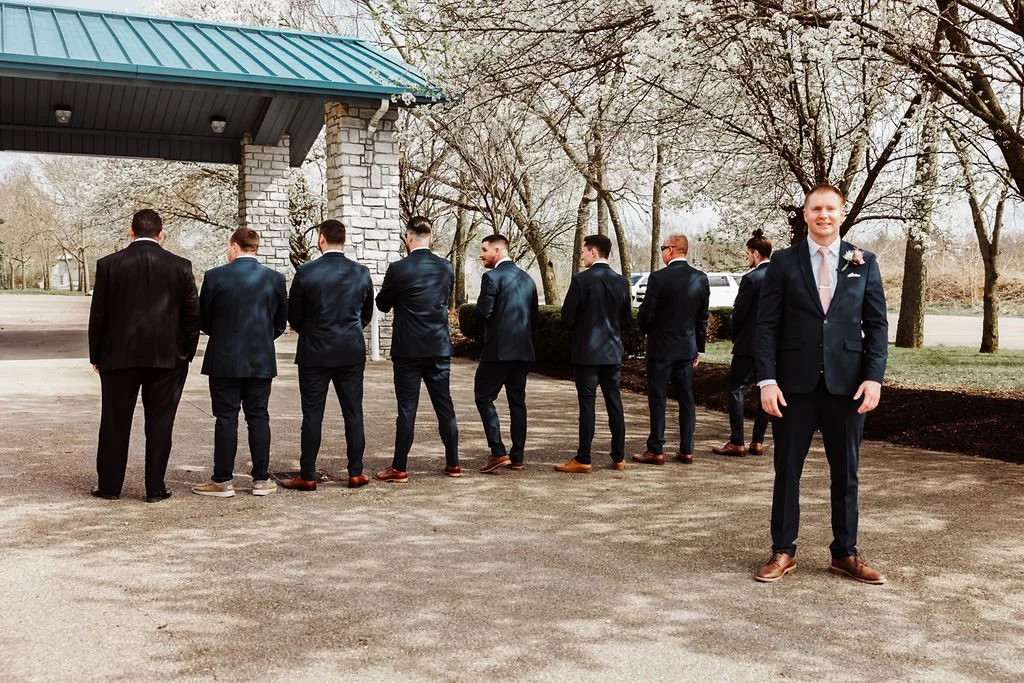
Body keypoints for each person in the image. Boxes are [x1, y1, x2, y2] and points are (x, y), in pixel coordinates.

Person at [754, 184, 888, 584]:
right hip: (793, 386)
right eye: (816, 209)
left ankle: (845, 553)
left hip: (847, 386)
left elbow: (877, 326)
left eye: (831, 209)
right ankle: (782, 551)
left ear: (841, 213)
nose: (824, 215)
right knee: (787, 471)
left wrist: (874, 379)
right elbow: (767, 326)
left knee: (846, 472)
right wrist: (766, 380)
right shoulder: (782, 262)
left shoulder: (865, 262)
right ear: (806, 214)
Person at [88, 209, 200, 503]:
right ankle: (155, 488)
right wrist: (187, 352)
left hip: (118, 357)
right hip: (168, 359)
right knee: (161, 424)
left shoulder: (108, 265)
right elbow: (192, 315)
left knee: (114, 422)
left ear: (131, 231)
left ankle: (110, 487)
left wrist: (96, 355)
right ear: (161, 234)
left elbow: (98, 315)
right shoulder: (181, 266)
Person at [192, 228, 287, 498]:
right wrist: (262, 338)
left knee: (226, 418)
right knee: (258, 417)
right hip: (260, 358)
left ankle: (222, 480)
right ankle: (260, 480)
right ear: (255, 248)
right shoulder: (275, 279)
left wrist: (223, 334)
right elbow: (280, 322)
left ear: (235, 246)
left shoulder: (215, 276)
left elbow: (205, 319)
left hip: (224, 357)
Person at [281, 219, 374, 491]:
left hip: (315, 352)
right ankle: (356, 472)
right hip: (350, 351)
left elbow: (294, 315)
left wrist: (311, 331)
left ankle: (307, 474)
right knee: (353, 412)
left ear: (321, 239)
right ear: (343, 240)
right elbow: (366, 313)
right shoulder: (361, 272)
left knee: (312, 414)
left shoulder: (306, 272)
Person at [374, 216, 461, 482]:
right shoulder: (445, 267)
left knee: (407, 408)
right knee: (444, 405)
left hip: (408, 349)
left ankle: (399, 467)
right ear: (430, 237)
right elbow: (444, 297)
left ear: (408, 237)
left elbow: (382, 303)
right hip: (438, 346)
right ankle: (453, 463)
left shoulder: (398, 269)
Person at [556, 234, 632, 473]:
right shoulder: (622, 282)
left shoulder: (581, 280)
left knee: (587, 405)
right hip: (612, 352)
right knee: (614, 403)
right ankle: (619, 456)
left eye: (583, 251)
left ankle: (584, 457)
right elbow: (626, 319)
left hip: (587, 353)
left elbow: (567, 318)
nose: (581, 255)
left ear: (593, 252)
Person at [634, 234, 710, 466]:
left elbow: (647, 312)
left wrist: (643, 328)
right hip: (686, 348)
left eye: (662, 248)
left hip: (661, 348)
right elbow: (702, 317)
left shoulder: (658, 278)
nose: (661, 252)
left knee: (658, 398)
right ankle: (687, 448)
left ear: (672, 250)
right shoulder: (701, 278)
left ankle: (656, 448)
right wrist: (699, 347)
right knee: (686, 398)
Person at [474, 234, 539, 473]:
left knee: (483, 397)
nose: (481, 254)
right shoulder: (528, 279)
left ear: (498, 251)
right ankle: (518, 456)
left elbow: (483, 313)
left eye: (484, 249)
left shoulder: (491, 277)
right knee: (517, 403)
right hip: (523, 352)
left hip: (498, 351)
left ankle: (498, 452)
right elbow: (534, 319)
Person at [712, 230, 772, 456]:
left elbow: (739, 313)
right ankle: (758, 440)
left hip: (749, 343)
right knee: (765, 388)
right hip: (772, 346)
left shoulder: (751, 279)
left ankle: (737, 440)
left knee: (735, 389)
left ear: (755, 253)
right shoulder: (782, 276)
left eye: (748, 253)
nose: (747, 258)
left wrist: (735, 336)